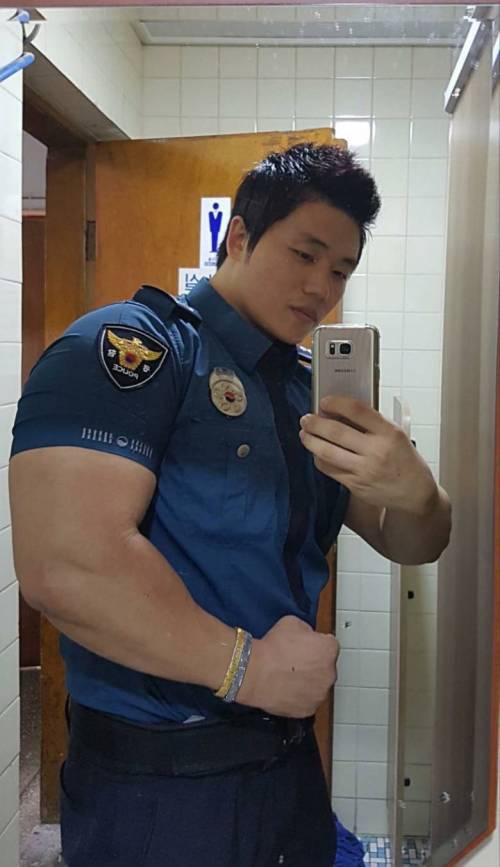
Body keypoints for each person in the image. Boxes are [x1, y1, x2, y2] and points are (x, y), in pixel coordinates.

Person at [9, 143, 451, 867]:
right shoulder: (131, 348)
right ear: (239, 236)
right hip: (159, 784)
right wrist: (250, 669)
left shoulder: (310, 391)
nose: (321, 286)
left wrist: (418, 492)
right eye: (305, 254)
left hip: (286, 763)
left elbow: (414, 541)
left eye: (341, 270)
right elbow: (66, 564)